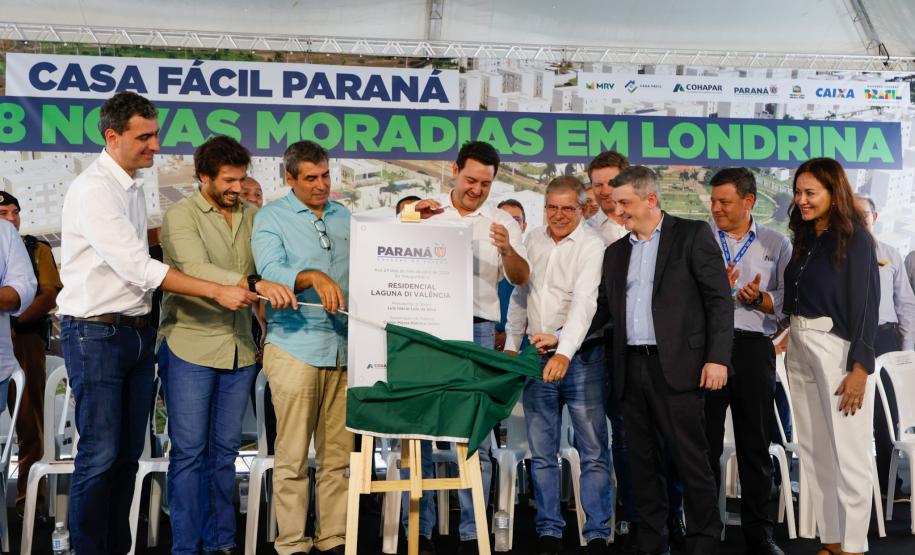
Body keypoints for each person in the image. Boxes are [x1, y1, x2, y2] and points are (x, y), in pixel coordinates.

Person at [56, 91, 258, 554]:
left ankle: (114, 546)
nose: (154, 145)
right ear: (112, 136)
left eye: (155, 134)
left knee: (127, 457)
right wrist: (217, 289)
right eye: (143, 136)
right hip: (95, 333)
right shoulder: (93, 189)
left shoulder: (130, 185)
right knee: (100, 455)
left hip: (134, 333)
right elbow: (138, 267)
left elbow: (136, 252)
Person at [157, 136, 297, 554]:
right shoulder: (180, 216)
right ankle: (186, 547)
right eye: (229, 181)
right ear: (204, 177)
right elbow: (195, 268)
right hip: (189, 346)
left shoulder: (255, 216)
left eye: (242, 179)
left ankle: (221, 543)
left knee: (224, 454)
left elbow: (273, 263)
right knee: (189, 454)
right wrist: (252, 283)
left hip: (239, 349)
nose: (239, 188)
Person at [590, 165, 732, 555]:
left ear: (650, 200)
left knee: (691, 461)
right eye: (615, 203)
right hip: (629, 368)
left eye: (624, 203)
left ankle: (703, 542)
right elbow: (602, 310)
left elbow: (719, 301)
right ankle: (652, 542)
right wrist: (561, 337)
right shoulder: (615, 252)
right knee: (642, 463)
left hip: (681, 369)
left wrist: (717, 359)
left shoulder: (692, 235)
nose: (617, 211)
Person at [409, 141, 529, 554]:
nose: (477, 189)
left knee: (472, 429)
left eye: (486, 183)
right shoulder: (426, 215)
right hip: (427, 329)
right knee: (421, 427)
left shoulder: (501, 222)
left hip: (477, 330)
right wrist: (408, 221)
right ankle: (420, 529)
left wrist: (507, 249)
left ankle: (472, 530)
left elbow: (519, 277)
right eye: (471, 179)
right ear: (454, 170)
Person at [253, 140, 353, 555]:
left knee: (339, 459)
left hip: (345, 350)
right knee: (292, 457)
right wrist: (310, 275)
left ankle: (333, 539)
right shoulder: (270, 217)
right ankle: (292, 542)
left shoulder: (344, 215)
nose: (321, 185)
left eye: (325, 175)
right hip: (295, 347)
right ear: (289, 179)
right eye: (310, 178)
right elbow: (271, 270)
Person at [505, 176, 612, 555]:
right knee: (542, 450)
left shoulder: (592, 244)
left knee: (594, 450)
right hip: (535, 356)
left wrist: (565, 352)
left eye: (568, 207)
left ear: (583, 209)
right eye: (552, 206)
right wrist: (513, 343)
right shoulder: (532, 239)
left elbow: (586, 303)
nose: (559, 215)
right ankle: (549, 530)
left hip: (582, 358)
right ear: (544, 207)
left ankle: (597, 533)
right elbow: (521, 294)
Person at [783, 158, 879, 555]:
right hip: (800, 345)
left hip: (837, 351)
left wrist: (860, 367)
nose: (801, 200)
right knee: (816, 450)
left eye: (811, 193)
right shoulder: (806, 236)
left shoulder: (855, 237)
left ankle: (854, 546)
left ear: (832, 193)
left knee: (850, 453)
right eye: (798, 192)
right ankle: (833, 541)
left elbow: (867, 305)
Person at [704, 168, 790, 555]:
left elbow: (788, 302)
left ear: (749, 202)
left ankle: (759, 534)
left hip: (755, 347)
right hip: (706, 348)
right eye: (713, 201)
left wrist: (758, 298)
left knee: (756, 444)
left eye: (725, 202)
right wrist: (713, 288)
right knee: (702, 444)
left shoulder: (777, 243)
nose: (716, 208)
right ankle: (704, 529)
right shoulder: (700, 239)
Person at [0, 192, 62, 514]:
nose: (11, 218)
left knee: (29, 422)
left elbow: (48, 294)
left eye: (15, 212)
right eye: (3, 212)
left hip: (24, 341)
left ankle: (30, 499)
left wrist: (14, 320)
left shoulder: (36, 249)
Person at [854, 195, 915, 501]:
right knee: (850, 417)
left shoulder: (890, 253)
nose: (858, 219)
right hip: (848, 342)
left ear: (874, 217)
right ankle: (856, 486)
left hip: (884, 342)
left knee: (885, 418)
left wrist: (904, 354)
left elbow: (906, 305)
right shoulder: (836, 255)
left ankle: (885, 487)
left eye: (862, 214)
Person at [495, 199, 527, 351]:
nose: (510, 225)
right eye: (504, 218)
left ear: (523, 226)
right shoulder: (480, 256)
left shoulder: (528, 263)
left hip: (518, 343)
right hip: (486, 335)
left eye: (516, 220)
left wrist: (508, 336)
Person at [586, 151, 630, 245]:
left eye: (612, 183)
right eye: (598, 185)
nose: (605, 191)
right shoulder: (585, 230)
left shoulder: (648, 225)